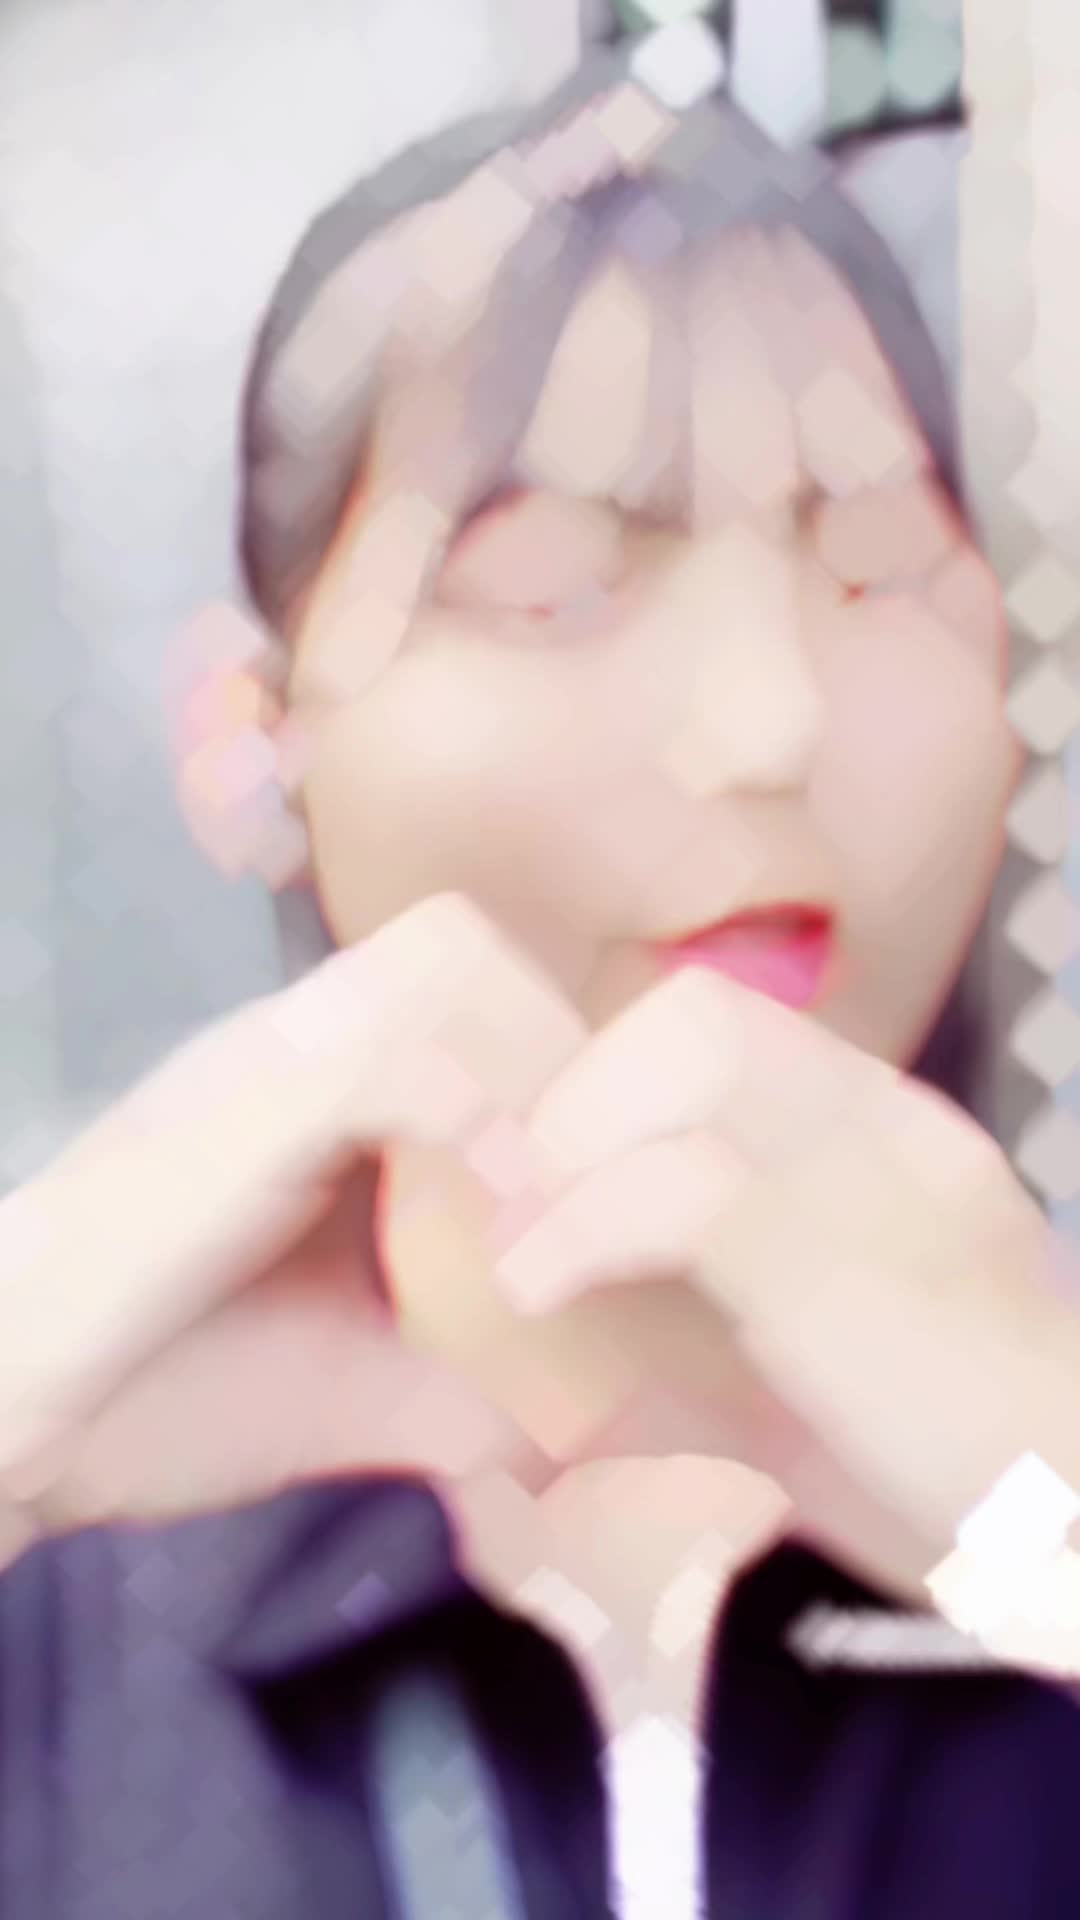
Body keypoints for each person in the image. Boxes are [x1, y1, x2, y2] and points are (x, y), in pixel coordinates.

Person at [2, 36, 1080, 1920]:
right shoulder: (68, 1587)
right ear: (245, 738)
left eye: (873, 565)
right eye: (556, 585)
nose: (767, 722)